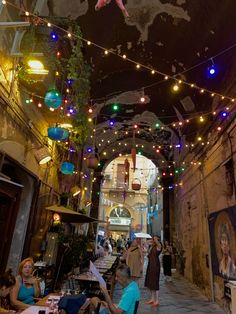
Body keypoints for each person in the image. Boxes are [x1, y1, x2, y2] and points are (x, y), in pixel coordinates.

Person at [144, 235, 162, 307]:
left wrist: (155, 240)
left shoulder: (159, 246)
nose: (153, 240)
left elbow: (158, 243)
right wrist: (149, 243)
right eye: (153, 238)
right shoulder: (152, 247)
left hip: (155, 266)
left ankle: (157, 300)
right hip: (150, 265)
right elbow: (146, 244)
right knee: (150, 282)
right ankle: (152, 299)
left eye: (154, 239)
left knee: (155, 282)